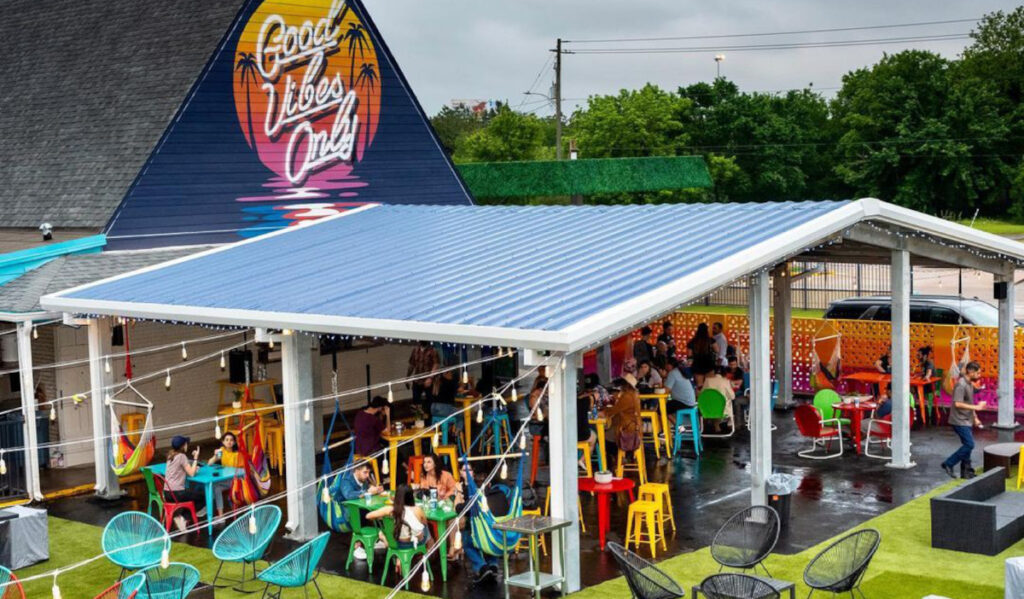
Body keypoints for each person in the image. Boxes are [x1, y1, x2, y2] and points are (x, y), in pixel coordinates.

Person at [368, 485, 430, 574]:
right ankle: (430, 551)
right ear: (411, 496)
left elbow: (369, 516)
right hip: (413, 543)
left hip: (397, 543)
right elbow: (425, 523)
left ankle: (396, 553)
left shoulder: (391, 510)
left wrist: (382, 518)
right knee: (426, 527)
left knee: (383, 532)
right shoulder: (417, 509)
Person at [941, 362, 986, 479]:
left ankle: (966, 472)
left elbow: (969, 402)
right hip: (959, 420)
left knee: (967, 445)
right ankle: (948, 463)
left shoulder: (969, 383)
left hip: (967, 419)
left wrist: (975, 418)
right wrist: (977, 407)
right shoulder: (961, 385)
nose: (979, 375)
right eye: (978, 372)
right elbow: (958, 403)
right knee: (969, 444)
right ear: (971, 372)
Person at [332, 462, 385, 560]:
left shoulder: (363, 481)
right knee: (358, 514)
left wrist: (376, 490)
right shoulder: (346, 481)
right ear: (356, 471)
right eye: (365, 472)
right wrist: (367, 492)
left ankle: (378, 537)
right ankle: (357, 546)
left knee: (378, 512)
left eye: (368, 472)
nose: (367, 475)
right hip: (343, 510)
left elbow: (365, 494)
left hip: (359, 508)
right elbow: (349, 495)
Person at [164, 436, 206, 532]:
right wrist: (195, 458)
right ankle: (183, 517)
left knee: (193, 494)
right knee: (203, 498)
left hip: (167, 493)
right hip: (177, 493)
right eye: (186, 444)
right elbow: (191, 474)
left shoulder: (170, 456)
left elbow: (182, 470)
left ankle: (183, 517)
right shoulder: (182, 457)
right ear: (183, 446)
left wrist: (193, 468)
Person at [602, 374, 642, 461]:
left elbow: (615, 410)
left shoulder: (627, 396)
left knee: (603, 438)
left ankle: (619, 457)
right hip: (630, 425)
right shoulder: (633, 394)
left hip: (626, 428)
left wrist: (603, 411)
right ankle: (622, 457)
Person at [207, 432, 240, 517]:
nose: (229, 442)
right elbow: (210, 463)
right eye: (227, 440)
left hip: (234, 480)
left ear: (235, 442)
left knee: (212, 485)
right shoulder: (222, 450)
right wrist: (215, 456)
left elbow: (239, 470)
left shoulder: (237, 454)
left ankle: (208, 505)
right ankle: (221, 516)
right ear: (223, 442)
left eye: (231, 440)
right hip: (224, 480)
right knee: (216, 488)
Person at [408, 341, 440, 412]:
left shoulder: (433, 351)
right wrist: (407, 377)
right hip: (417, 380)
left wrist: (430, 378)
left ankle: (429, 419)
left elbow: (436, 364)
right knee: (416, 403)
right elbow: (411, 365)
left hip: (428, 381)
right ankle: (418, 419)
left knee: (430, 403)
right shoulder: (415, 350)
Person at [702, 367, 736, 432]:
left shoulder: (707, 380)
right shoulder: (726, 381)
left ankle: (714, 425)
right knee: (728, 401)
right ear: (724, 374)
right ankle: (730, 423)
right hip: (722, 410)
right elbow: (732, 396)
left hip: (707, 409)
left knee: (714, 402)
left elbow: (702, 394)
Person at [577, 388, 596, 471]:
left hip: (568, 434)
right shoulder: (588, 399)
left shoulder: (569, 400)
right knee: (594, 437)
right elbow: (591, 410)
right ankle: (582, 460)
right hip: (582, 434)